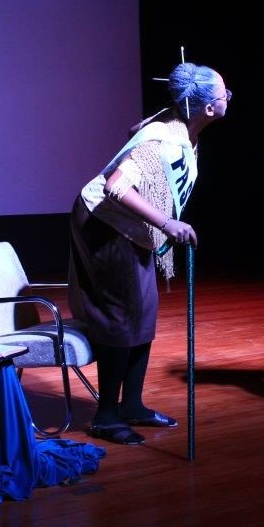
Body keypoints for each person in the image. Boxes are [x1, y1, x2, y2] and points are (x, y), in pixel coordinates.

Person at [69, 62, 231, 445]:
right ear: (208, 107)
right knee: (122, 316)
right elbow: (115, 186)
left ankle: (132, 405)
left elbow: (134, 131)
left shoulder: (177, 127)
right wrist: (166, 223)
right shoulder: (164, 140)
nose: (229, 97)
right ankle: (106, 415)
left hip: (130, 226)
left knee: (144, 311)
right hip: (103, 223)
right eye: (224, 93)